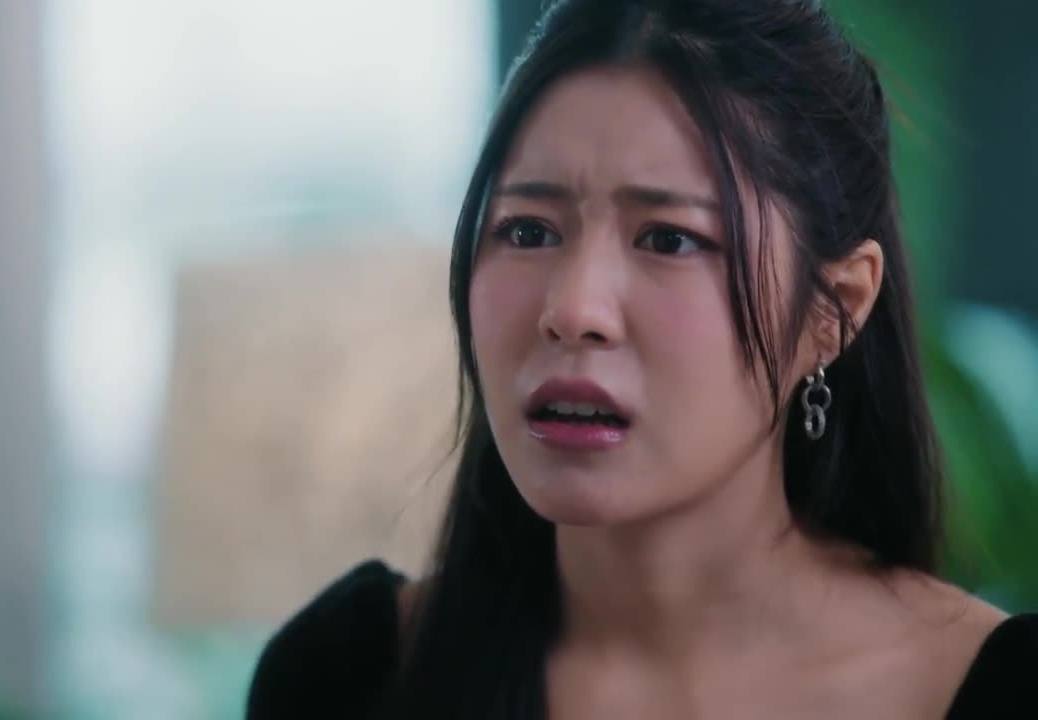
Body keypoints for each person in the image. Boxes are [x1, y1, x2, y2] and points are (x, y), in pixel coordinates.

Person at [246, 0, 1038, 717]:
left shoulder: (987, 688)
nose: (572, 310)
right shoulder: (350, 680)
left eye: (669, 239)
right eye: (528, 230)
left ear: (832, 309)